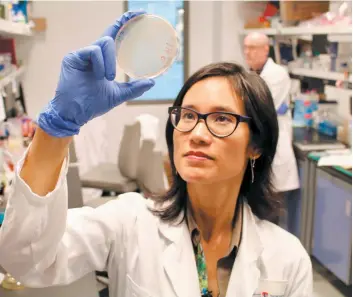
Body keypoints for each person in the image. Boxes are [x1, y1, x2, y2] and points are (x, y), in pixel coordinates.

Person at [0, 12, 312, 297]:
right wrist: (57, 128)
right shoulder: (128, 221)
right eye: (188, 115)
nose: (198, 133)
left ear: (256, 145)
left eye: (221, 119)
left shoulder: (287, 259)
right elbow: (26, 261)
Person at [243, 32, 300, 230]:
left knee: (269, 217)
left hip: (274, 152)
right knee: (256, 215)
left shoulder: (276, 75)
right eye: (246, 48)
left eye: (253, 48)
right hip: (259, 153)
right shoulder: (254, 74)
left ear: (266, 49)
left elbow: (256, 110)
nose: (247, 53)